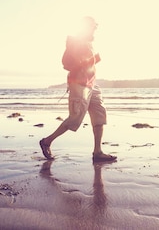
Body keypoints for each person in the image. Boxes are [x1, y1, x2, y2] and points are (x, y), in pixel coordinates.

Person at [39, 16, 117, 163]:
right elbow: (67, 64)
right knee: (75, 118)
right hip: (79, 84)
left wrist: (93, 61)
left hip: (92, 84)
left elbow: (87, 63)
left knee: (99, 115)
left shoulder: (88, 43)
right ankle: (47, 141)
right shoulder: (75, 41)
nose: (96, 28)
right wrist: (94, 59)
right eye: (94, 25)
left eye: (96, 25)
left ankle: (97, 152)